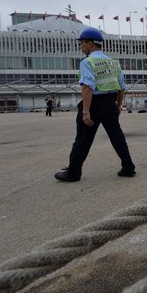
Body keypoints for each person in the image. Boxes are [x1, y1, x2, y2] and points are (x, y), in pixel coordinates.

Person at [54, 28, 136, 182]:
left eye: (82, 43)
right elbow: (121, 86)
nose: (80, 46)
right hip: (111, 104)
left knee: (83, 140)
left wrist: (86, 112)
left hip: (94, 105)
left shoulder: (88, 62)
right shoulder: (114, 63)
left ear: (90, 43)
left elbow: (87, 87)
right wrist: (118, 105)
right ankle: (128, 167)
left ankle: (73, 173)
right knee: (117, 136)